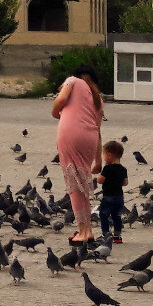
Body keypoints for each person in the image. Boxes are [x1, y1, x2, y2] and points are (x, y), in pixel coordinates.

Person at [51, 65, 104, 243]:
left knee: (74, 183)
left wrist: (55, 113)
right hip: (89, 139)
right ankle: (87, 229)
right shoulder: (98, 100)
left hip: (71, 134)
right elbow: (98, 131)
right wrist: (98, 160)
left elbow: (60, 100)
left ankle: (83, 231)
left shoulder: (72, 81)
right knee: (83, 183)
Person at [97, 140, 128, 243]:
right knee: (117, 216)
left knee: (104, 215)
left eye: (104, 155)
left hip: (108, 198)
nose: (104, 158)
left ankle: (105, 234)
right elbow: (125, 183)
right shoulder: (123, 169)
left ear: (109, 155)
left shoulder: (107, 168)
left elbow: (100, 180)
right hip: (119, 198)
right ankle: (117, 236)